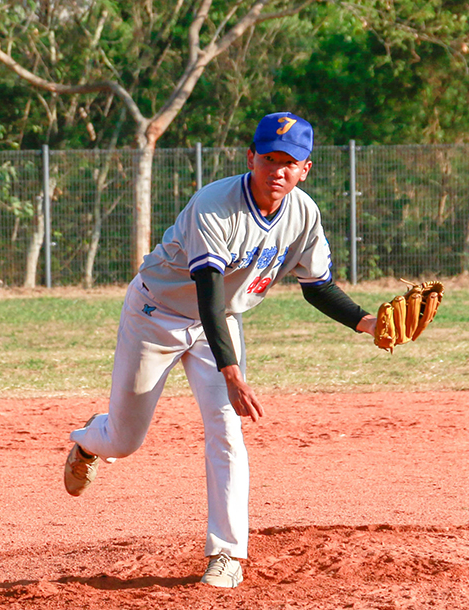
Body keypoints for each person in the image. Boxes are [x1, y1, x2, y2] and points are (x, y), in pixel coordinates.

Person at [62, 112, 377, 588]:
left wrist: (368, 323)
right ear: (251, 157)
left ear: (306, 168)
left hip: (221, 323)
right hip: (157, 314)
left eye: (290, 162)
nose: (278, 170)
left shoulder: (303, 214)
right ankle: (89, 439)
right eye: (269, 158)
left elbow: (318, 286)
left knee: (227, 431)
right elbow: (206, 289)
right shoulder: (215, 204)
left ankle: (226, 555)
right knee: (124, 441)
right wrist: (232, 372)